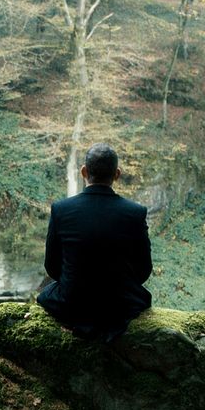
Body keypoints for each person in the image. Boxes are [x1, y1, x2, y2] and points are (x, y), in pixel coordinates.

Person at [37, 143, 152, 341]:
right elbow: (143, 269)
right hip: (119, 303)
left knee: (46, 293)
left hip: (73, 302)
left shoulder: (61, 209)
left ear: (84, 171)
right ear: (117, 174)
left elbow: (52, 266)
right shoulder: (135, 213)